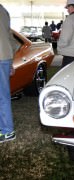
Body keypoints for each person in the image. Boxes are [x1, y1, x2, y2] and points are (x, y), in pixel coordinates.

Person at [0, 4, 17, 143]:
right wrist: (11, 62)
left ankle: (8, 131)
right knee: (3, 95)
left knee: (2, 96)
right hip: (5, 56)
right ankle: (4, 129)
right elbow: (10, 38)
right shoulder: (4, 10)